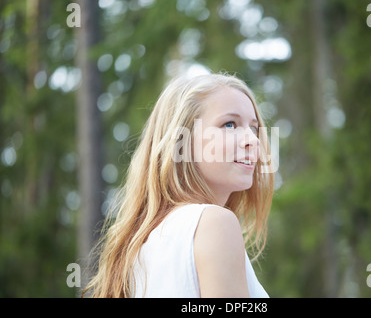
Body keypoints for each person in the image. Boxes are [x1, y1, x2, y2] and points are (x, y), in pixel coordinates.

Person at [83, 73, 274, 298]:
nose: (252, 140)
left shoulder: (138, 247)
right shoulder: (215, 223)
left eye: (254, 127)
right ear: (182, 141)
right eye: (229, 124)